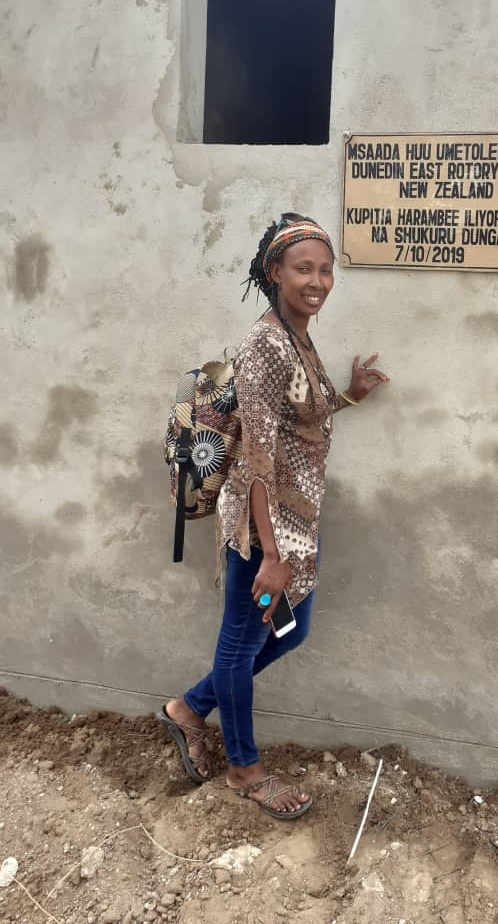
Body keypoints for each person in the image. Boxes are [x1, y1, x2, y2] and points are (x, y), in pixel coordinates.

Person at [157, 213, 389, 819]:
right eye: (303, 269)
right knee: (240, 646)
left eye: (325, 268)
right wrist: (272, 555)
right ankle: (244, 768)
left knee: (295, 630)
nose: (318, 280)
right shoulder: (263, 344)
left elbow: (298, 421)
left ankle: (188, 708)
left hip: (296, 522)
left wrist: (347, 396)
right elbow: (258, 458)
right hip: (263, 529)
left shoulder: (299, 334)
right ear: (274, 272)